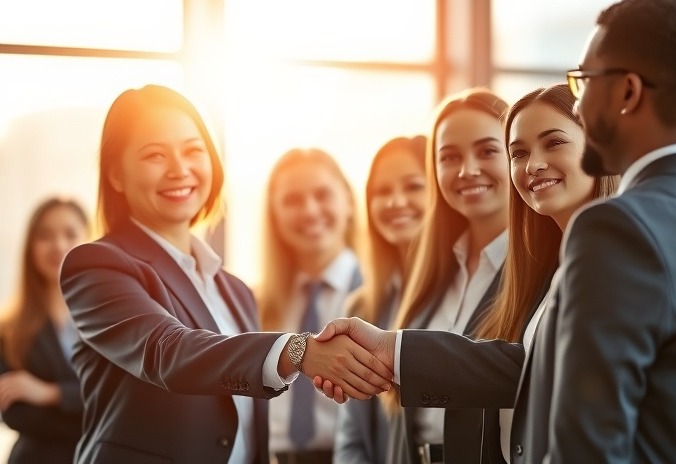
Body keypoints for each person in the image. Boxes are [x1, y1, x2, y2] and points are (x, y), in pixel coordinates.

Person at [317, 0, 676, 463]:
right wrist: (394, 348)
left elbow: (587, 437)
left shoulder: (614, 227)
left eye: (584, 81)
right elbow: (537, 369)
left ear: (628, 92)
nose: (580, 99)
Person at [59, 84, 392, 464]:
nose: (179, 169)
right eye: (155, 155)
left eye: (193, 150)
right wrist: (298, 352)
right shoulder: (96, 265)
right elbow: (166, 352)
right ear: (116, 175)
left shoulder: (235, 291)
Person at [314, 84, 619, 464]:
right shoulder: (432, 275)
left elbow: (530, 371)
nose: (533, 164)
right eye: (518, 152)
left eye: (553, 142)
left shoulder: (595, 263)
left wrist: (395, 350)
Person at [384, 88, 509, 464]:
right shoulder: (433, 270)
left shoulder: (544, 274)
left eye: (487, 151)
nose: (466, 170)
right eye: (449, 157)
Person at [258, 148, 364, 464]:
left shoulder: (385, 294)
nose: (309, 210)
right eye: (291, 200)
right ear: (274, 215)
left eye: (322, 194)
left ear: (347, 201)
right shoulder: (255, 304)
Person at [333, 135, 428, 464]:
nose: (395, 202)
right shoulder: (362, 308)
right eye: (382, 192)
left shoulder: (460, 297)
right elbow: (351, 435)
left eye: (414, 186)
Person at [0, 197, 89, 463]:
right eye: (45, 235)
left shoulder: (113, 323)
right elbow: (16, 414)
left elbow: (125, 399)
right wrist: (93, 421)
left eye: (70, 234)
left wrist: (50, 394)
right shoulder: (8, 331)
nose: (58, 245)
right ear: (30, 247)